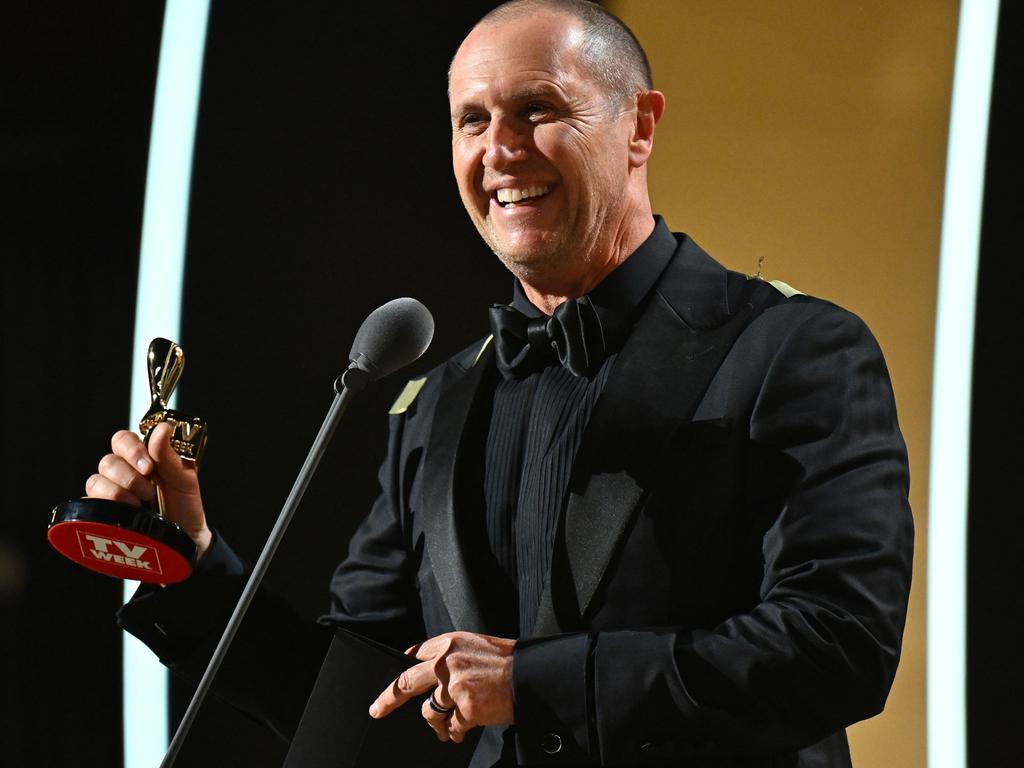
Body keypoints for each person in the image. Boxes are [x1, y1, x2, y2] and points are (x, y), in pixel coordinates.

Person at [89, 1, 913, 765]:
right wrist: (187, 566)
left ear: (640, 125)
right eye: (472, 121)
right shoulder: (437, 406)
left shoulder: (795, 351)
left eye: (538, 110)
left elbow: (837, 646)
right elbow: (354, 701)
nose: (500, 151)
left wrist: (532, 683)